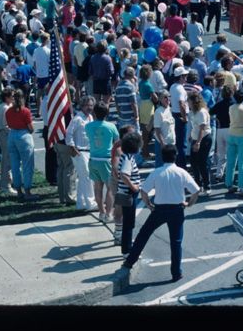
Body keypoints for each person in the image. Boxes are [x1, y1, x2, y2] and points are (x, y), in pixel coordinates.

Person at [120, 144, 201, 283]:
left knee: (143, 235)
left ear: (162, 157)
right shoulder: (182, 172)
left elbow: (144, 191)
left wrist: (149, 205)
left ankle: (129, 261)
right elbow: (196, 191)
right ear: (175, 156)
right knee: (176, 242)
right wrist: (189, 203)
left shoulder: (157, 172)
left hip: (159, 209)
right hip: (177, 209)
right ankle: (176, 273)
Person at [84, 103, 119, 223]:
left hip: (93, 158)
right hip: (106, 159)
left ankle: (101, 212)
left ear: (94, 113)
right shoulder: (111, 126)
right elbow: (117, 141)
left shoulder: (88, 126)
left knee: (98, 187)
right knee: (110, 188)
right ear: (107, 113)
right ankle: (108, 214)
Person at [5, 89, 38, 201]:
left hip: (12, 134)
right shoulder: (26, 111)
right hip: (23, 135)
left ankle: (19, 190)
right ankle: (27, 190)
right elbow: (31, 128)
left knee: (15, 165)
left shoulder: (8, 111)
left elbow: (9, 124)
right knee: (27, 165)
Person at [66, 95, 97, 211]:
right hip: (79, 152)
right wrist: (72, 147)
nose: (90, 108)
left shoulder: (90, 118)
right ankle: (91, 203)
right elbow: (68, 133)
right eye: (88, 105)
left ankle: (81, 203)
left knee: (83, 177)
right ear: (82, 106)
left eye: (91, 105)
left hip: (89, 151)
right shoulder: (77, 118)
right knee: (87, 177)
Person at [115, 132, 143, 254]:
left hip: (126, 192)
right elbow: (124, 175)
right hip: (128, 193)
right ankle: (127, 250)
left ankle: (127, 246)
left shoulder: (126, 156)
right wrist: (134, 187)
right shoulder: (127, 158)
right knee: (128, 222)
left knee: (129, 221)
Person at [224, 87, 243, 194]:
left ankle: (229, 183)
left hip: (232, 133)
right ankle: (241, 186)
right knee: (242, 161)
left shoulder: (231, 108)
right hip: (242, 135)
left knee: (230, 161)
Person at [187, 92, 213, 193]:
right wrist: (191, 136)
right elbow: (195, 126)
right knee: (193, 162)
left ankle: (207, 185)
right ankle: (198, 184)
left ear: (194, 102)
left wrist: (198, 142)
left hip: (204, 138)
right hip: (195, 138)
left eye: (189, 101)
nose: (187, 103)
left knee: (202, 163)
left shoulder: (202, 112)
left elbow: (202, 128)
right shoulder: (192, 112)